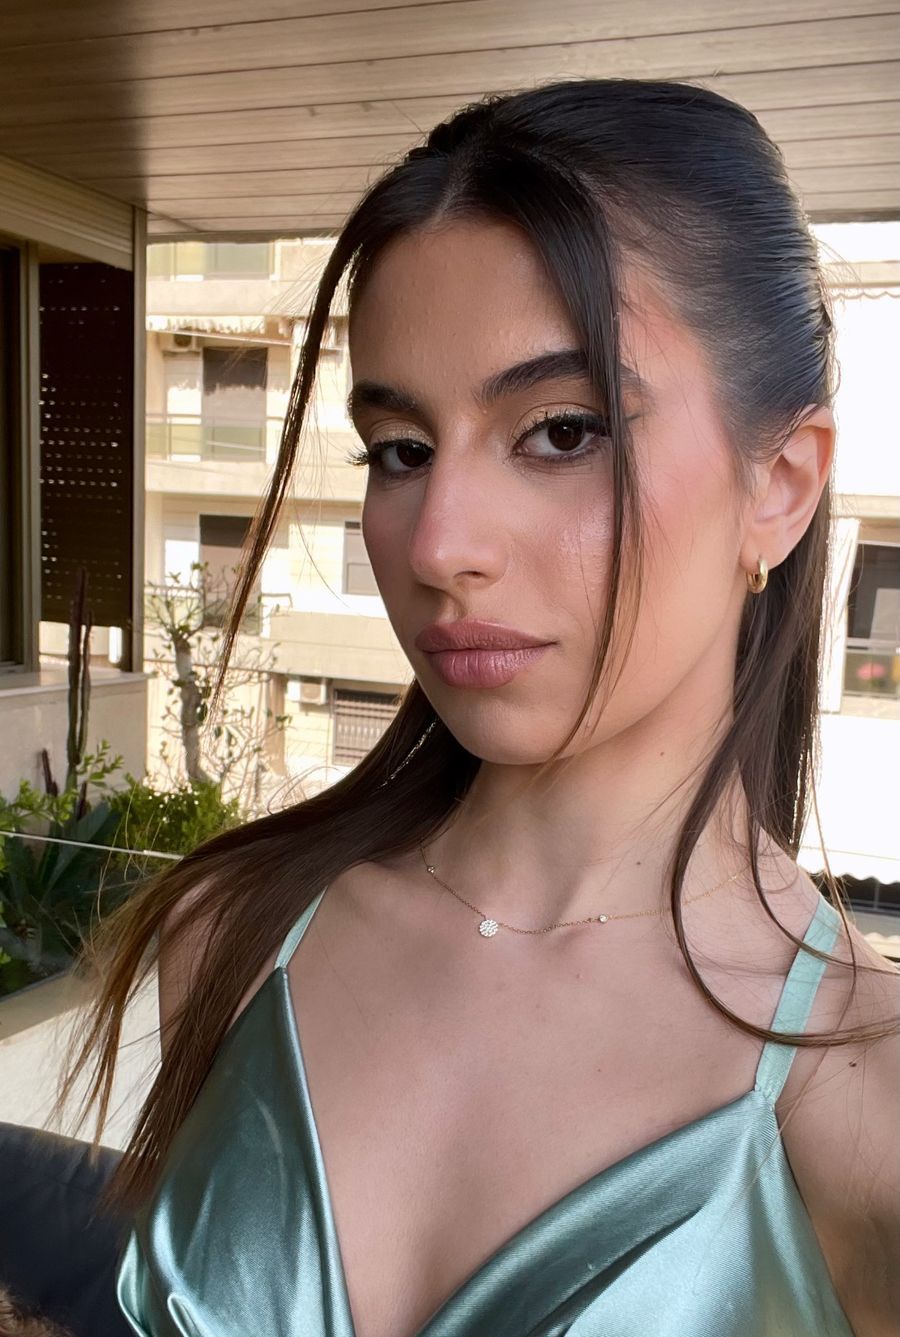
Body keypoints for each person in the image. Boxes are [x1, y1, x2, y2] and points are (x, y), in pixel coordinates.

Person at [61, 78, 898, 1337]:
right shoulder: (230, 933)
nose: (439, 542)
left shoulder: (865, 1101)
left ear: (779, 482)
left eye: (561, 431)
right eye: (401, 449)